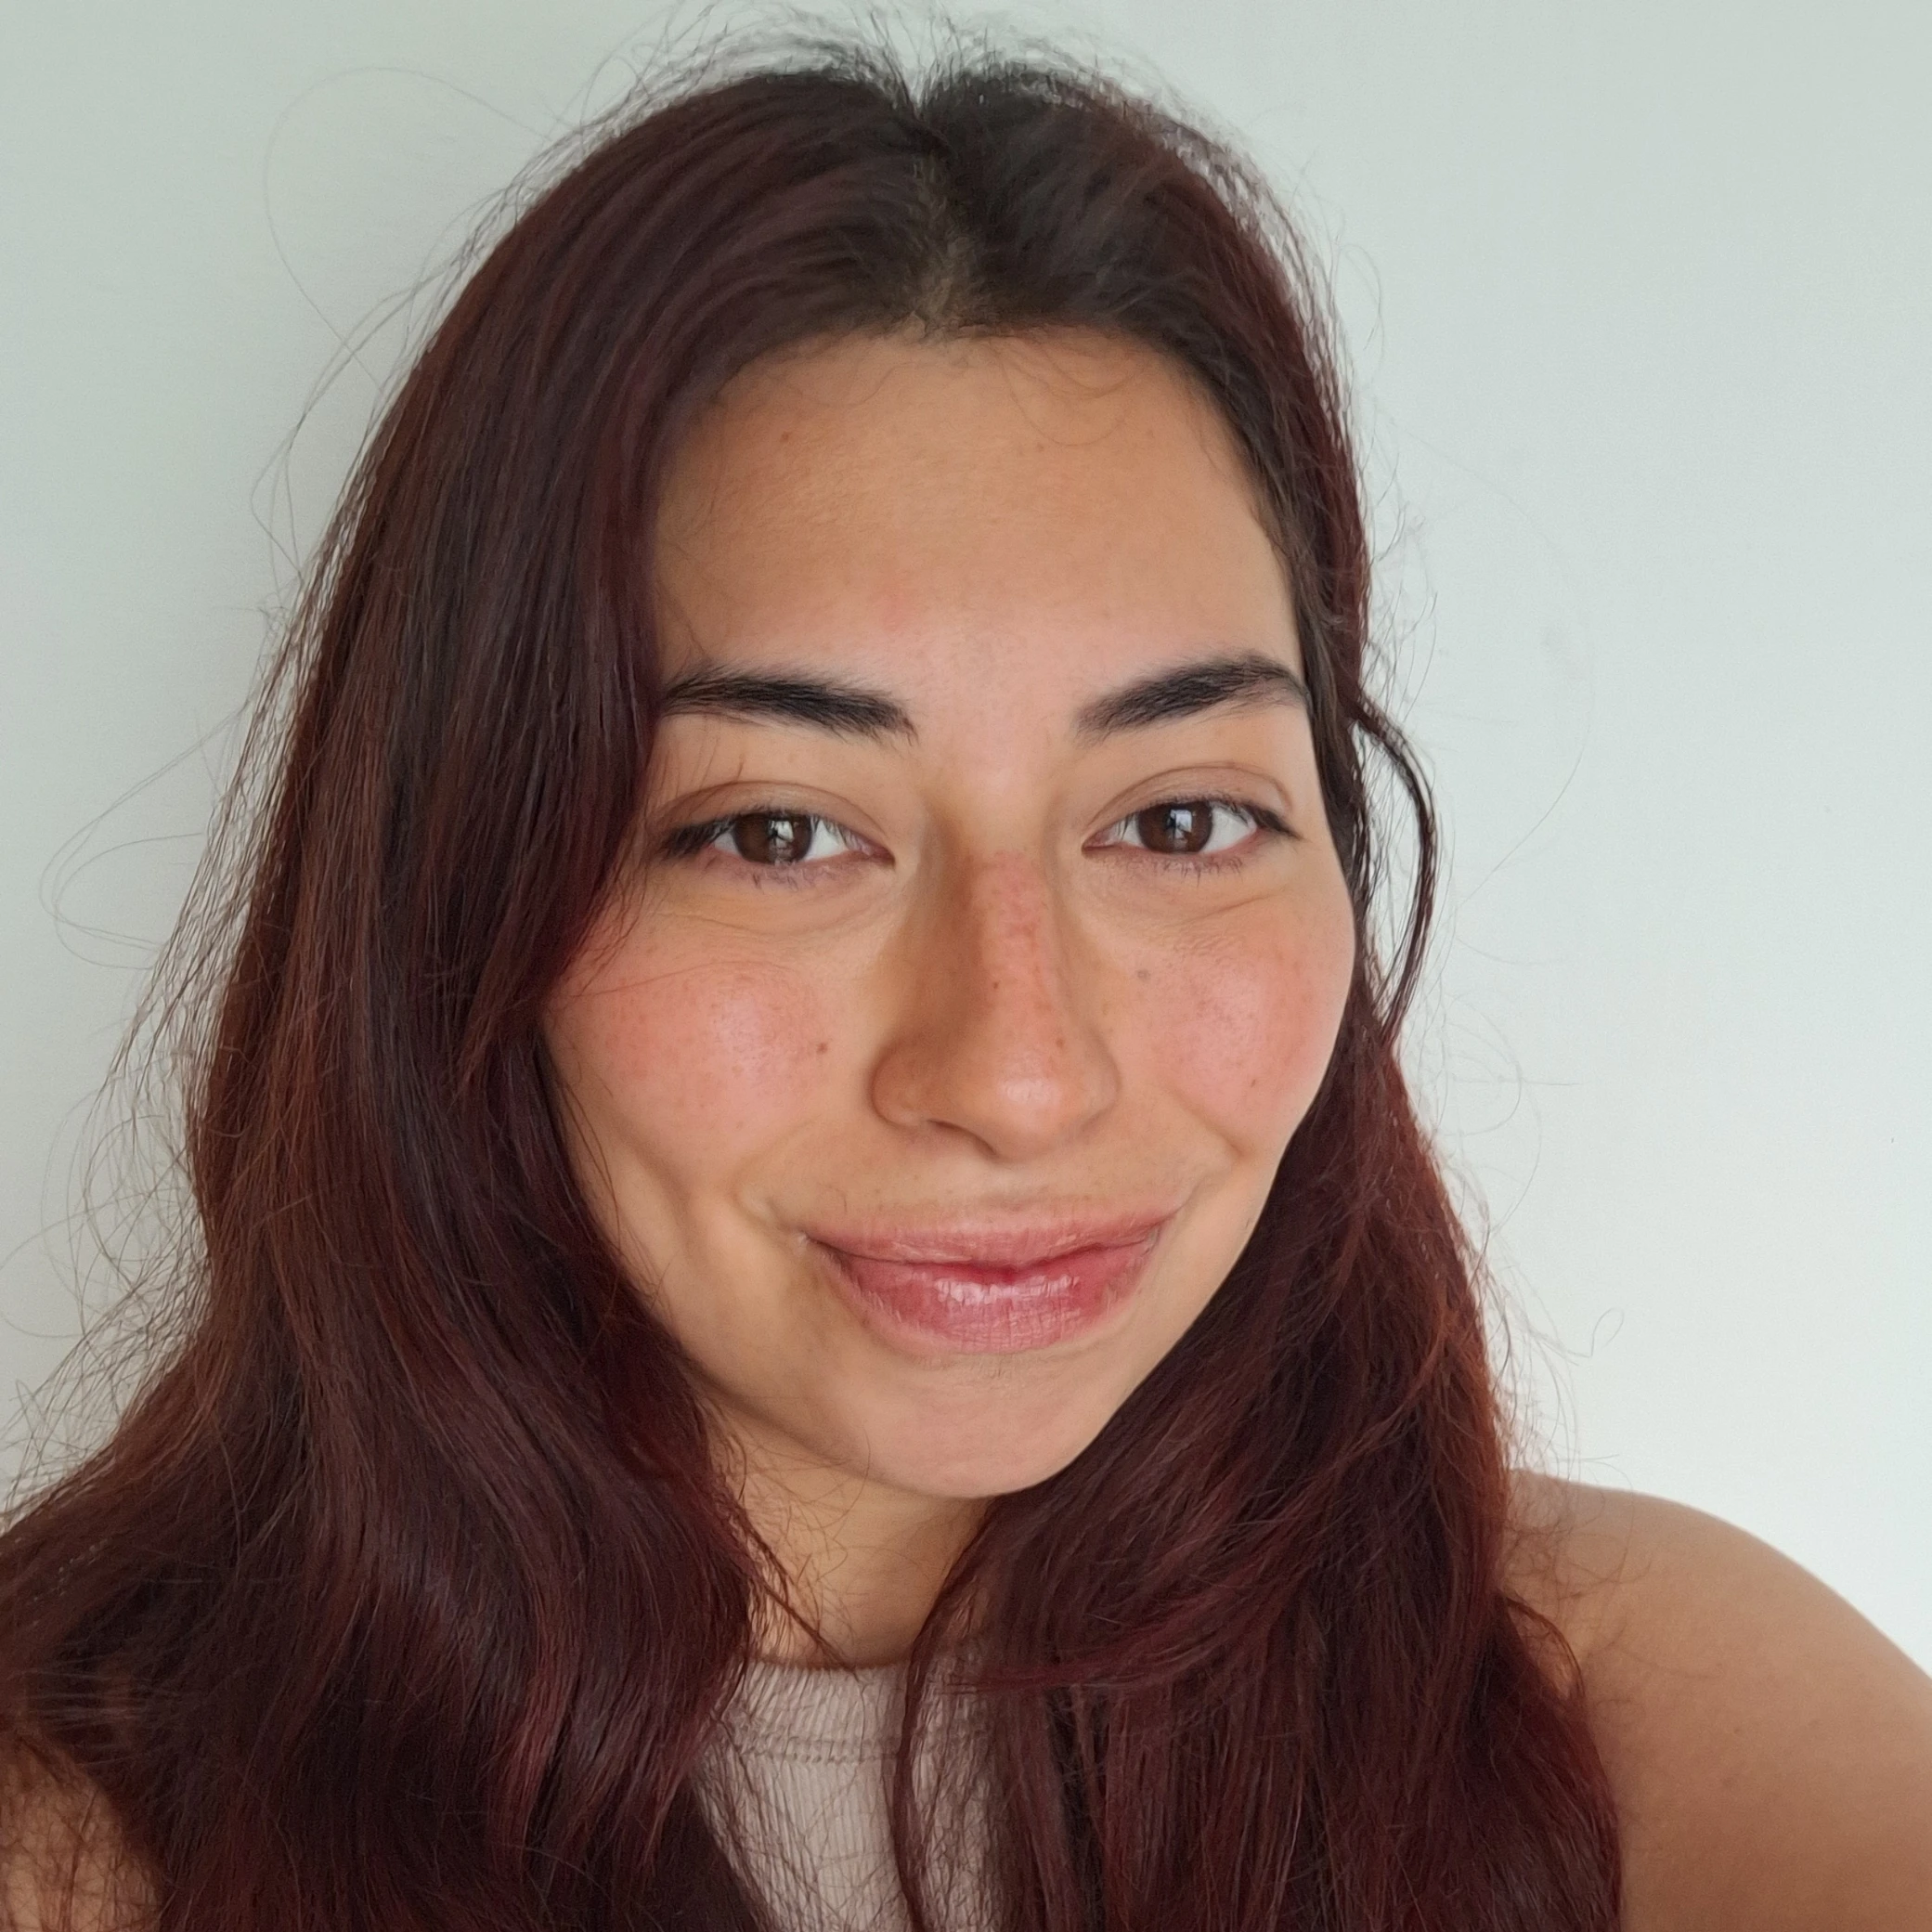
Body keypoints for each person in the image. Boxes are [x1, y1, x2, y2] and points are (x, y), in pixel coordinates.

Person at [2, 32, 1927, 1932]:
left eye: (1179, 819)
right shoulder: (86, 1832)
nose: (1018, 1074)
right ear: (459, 886)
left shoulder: (1619, 1717)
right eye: (778, 833)